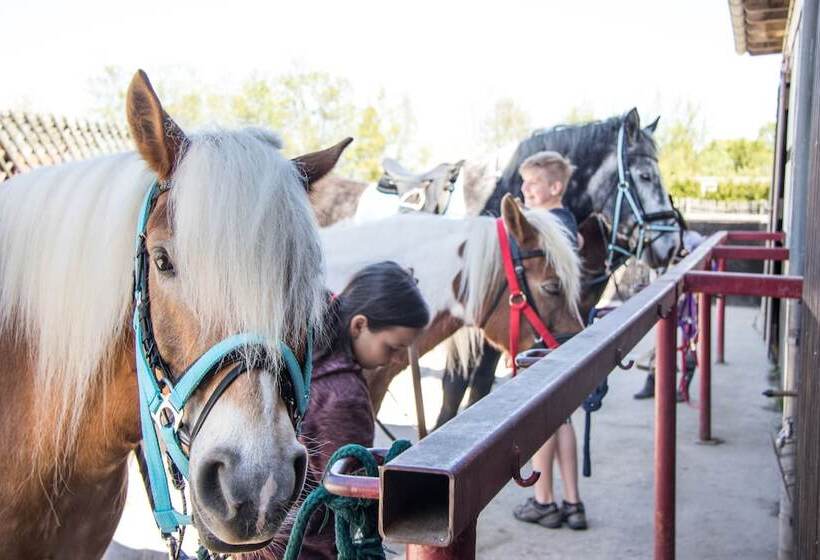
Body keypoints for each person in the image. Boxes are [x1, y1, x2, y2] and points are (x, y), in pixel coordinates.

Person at [271, 261, 430, 559]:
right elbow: (349, 503)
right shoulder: (346, 397)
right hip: (309, 550)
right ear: (359, 325)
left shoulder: (302, 357)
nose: (397, 360)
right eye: (393, 347)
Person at [512, 151, 588, 530]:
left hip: (545, 331)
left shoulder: (545, 226)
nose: (525, 189)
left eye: (533, 183)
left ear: (555, 187)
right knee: (562, 418)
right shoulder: (568, 221)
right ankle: (573, 502)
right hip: (565, 333)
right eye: (523, 182)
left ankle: (543, 500)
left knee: (542, 417)